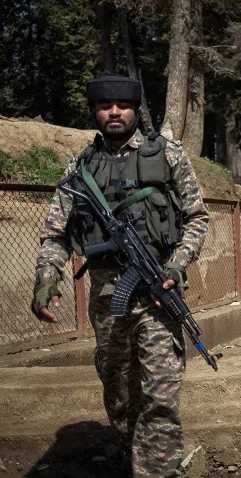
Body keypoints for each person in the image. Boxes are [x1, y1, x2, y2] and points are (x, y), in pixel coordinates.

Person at [31, 72, 210, 477]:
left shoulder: (169, 156)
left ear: (136, 109)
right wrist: (47, 277)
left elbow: (198, 219)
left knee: (160, 396)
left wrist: (177, 263)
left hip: (158, 294)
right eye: (105, 106)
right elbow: (56, 233)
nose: (114, 113)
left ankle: (157, 471)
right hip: (108, 302)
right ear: (94, 111)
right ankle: (133, 459)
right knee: (119, 396)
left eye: (123, 106)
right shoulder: (79, 167)